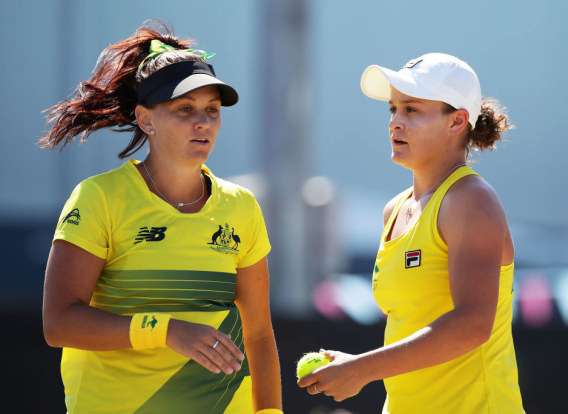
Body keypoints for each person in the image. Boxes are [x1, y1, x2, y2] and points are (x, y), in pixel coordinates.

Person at [40, 21, 282, 414]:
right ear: (146, 119)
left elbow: (258, 335)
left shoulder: (242, 206)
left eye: (212, 111)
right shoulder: (99, 198)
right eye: (184, 109)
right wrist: (166, 331)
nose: (202, 122)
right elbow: (59, 323)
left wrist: (271, 413)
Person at [298, 53, 525, 413]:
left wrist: (361, 369)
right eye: (392, 109)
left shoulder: (471, 200)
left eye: (412, 110)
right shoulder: (394, 210)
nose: (395, 123)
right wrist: (354, 366)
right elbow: (410, 328)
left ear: (457, 122)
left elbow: (472, 325)